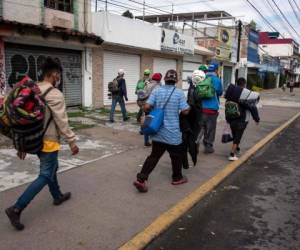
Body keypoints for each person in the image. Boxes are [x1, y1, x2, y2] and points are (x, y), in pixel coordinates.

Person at [5, 58, 79, 231]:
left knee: (52, 168)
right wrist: (72, 142)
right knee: (46, 174)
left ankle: (57, 195)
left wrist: (21, 145)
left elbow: (20, 119)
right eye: (59, 74)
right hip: (49, 141)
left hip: (34, 139)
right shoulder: (55, 94)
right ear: (53, 74)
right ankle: (16, 208)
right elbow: (62, 121)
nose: (59, 77)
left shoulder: (32, 89)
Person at [133, 70, 190, 193]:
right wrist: (188, 108)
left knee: (154, 156)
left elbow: (147, 106)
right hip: (173, 133)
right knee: (176, 156)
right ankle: (177, 178)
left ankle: (141, 179)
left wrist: (155, 109)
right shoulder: (179, 93)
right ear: (176, 80)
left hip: (158, 131)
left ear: (164, 79)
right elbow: (185, 111)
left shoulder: (157, 91)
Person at [225, 78, 260, 161]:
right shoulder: (246, 94)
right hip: (242, 118)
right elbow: (252, 107)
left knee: (235, 133)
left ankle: (237, 149)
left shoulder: (231, 92)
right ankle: (232, 154)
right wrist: (256, 119)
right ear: (244, 84)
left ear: (237, 83)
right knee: (238, 136)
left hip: (231, 117)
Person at [198, 63, 223, 154]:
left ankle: (196, 142)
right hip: (212, 109)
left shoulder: (202, 78)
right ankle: (208, 146)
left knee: (201, 127)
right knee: (211, 128)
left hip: (201, 108)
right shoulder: (217, 80)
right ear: (216, 70)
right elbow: (220, 93)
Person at [139, 72, 162, 147]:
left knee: (147, 123)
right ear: (159, 80)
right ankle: (156, 140)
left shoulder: (148, 84)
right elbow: (158, 98)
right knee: (155, 123)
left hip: (146, 106)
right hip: (153, 107)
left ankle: (146, 141)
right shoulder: (157, 86)